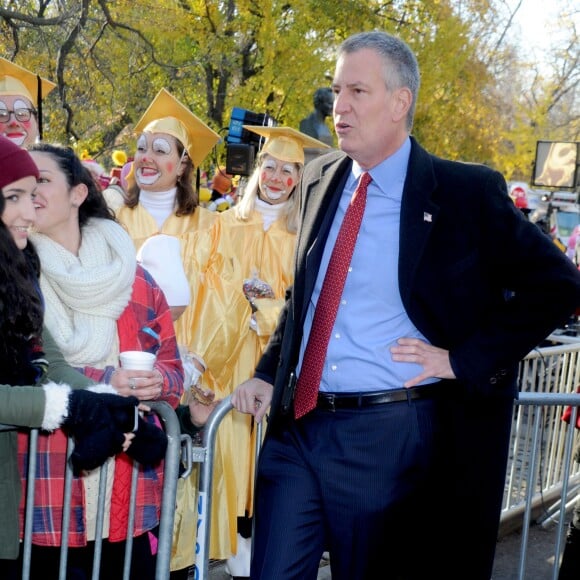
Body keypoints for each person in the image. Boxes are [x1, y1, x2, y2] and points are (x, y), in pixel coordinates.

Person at [230, 31, 580, 580]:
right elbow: (307, 298)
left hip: (389, 437)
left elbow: (558, 284)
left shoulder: (464, 193)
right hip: (296, 430)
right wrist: (269, 372)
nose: (338, 107)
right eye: (335, 90)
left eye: (357, 92)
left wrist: (462, 360)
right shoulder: (320, 178)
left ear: (400, 102)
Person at [16, 142, 183, 580]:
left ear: (78, 193)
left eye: (43, 179)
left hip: (128, 501)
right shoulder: (13, 276)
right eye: (21, 183)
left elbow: (172, 368)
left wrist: (155, 383)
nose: (30, 190)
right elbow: (29, 371)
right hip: (44, 496)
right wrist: (109, 382)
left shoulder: (135, 278)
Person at [114, 88, 250, 578]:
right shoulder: (110, 219)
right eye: (143, 147)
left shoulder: (211, 228)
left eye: (161, 149)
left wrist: (193, 362)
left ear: (183, 163)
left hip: (179, 381)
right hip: (118, 374)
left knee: (173, 493)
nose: (147, 158)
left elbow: (230, 303)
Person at [0, 135, 145, 580]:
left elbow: (51, 362)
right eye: (14, 196)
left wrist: (110, 405)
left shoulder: (17, 271)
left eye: (35, 192)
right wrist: (67, 407)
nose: (30, 210)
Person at [216, 125, 330, 576]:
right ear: (257, 168)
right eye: (270, 166)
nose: (277, 177)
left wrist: (264, 308)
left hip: (272, 362)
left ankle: (257, 537)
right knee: (225, 447)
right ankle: (224, 538)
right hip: (225, 355)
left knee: (262, 451)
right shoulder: (223, 223)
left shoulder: (304, 236)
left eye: (289, 171)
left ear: (300, 180)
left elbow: (304, 305)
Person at [0, 56, 56, 147]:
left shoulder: (59, 160)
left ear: (37, 122)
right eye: (1, 115)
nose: (14, 123)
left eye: (22, 113)